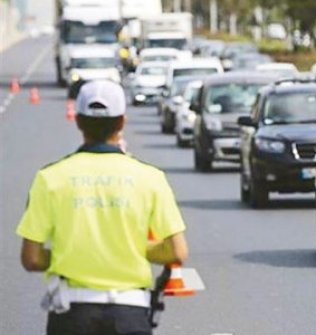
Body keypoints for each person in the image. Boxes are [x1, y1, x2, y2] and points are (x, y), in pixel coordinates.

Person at [16, 80, 189, 335]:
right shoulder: (150, 178)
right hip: (130, 313)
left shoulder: (50, 178)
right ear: (121, 122)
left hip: (72, 313)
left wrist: (74, 254)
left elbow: (31, 258)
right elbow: (177, 251)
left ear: (78, 121)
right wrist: (127, 250)